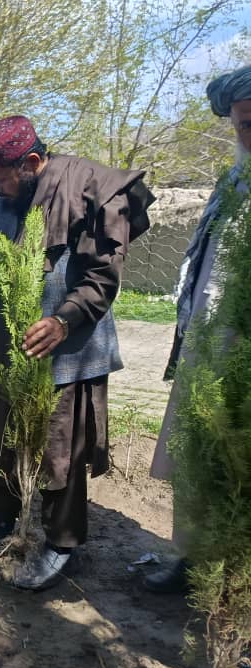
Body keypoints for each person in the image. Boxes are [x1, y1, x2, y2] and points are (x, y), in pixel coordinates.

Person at [0, 115, 154, 590]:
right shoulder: (7, 196)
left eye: (0, 179)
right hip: (10, 344)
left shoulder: (92, 188)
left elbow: (104, 277)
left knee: (58, 449)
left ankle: (62, 544)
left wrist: (63, 319)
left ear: (33, 162)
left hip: (69, 347)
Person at [145, 65, 251, 594]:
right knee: (194, 458)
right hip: (207, 344)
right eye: (243, 125)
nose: (247, 135)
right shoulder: (232, 180)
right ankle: (192, 561)